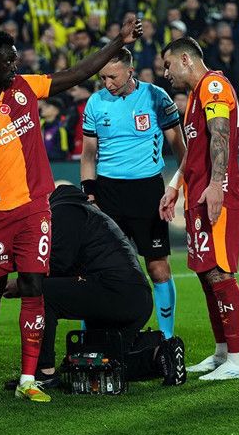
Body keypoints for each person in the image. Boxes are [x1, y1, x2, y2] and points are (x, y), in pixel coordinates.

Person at [0, 17, 144, 402]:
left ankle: (28, 379)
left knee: (35, 288)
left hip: (37, 208)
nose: (15, 65)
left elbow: (78, 72)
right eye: (8, 60)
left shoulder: (24, 87)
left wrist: (116, 41)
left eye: (15, 59)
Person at [5, 185, 185, 388]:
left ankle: (44, 371)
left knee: (42, 292)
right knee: (93, 364)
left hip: (116, 292)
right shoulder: (80, 209)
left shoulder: (63, 210)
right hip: (131, 298)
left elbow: (58, 264)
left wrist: (21, 285)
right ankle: (160, 355)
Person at [159, 37, 239, 381]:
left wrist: (216, 184)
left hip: (217, 192)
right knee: (205, 274)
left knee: (219, 274)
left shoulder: (213, 86)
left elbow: (219, 135)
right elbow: (196, 149)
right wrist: (174, 185)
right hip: (198, 192)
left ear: (186, 59)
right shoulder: (196, 96)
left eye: (168, 65)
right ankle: (223, 352)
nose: (166, 73)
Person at [80, 46, 186, 339]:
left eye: (112, 77)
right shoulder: (95, 103)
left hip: (147, 192)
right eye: (103, 78)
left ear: (130, 71)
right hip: (107, 192)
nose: (107, 83)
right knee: (97, 268)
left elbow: (180, 149)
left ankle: (166, 338)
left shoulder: (156, 97)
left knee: (158, 268)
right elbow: (88, 155)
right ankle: (89, 337)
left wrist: (177, 185)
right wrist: (90, 195)